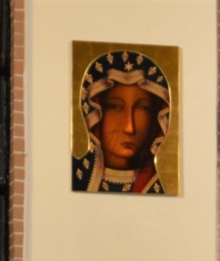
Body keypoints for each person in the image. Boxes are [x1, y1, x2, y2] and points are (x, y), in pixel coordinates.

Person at [72, 50, 171, 194]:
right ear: (93, 112)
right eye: (114, 106)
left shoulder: (160, 187)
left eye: (143, 108)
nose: (129, 128)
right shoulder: (74, 177)